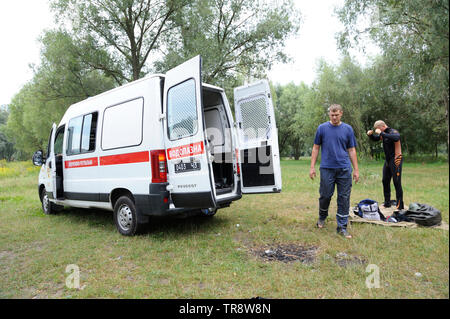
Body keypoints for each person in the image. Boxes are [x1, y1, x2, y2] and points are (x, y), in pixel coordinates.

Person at [310, 104, 359, 239]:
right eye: (332, 115)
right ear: (329, 114)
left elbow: (351, 150)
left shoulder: (348, 129)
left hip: (344, 168)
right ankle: (322, 217)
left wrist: (356, 169)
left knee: (344, 197)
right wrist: (312, 167)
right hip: (327, 168)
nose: (334, 117)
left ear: (341, 113)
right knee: (325, 195)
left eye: (337, 114)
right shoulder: (322, 128)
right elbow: (316, 148)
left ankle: (342, 227)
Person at [367, 120, 404, 210]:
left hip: (396, 160)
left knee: (396, 182)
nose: (378, 132)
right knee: (385, 181)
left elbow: (396, 137)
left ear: (382, 126)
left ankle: (400, 205)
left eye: (378, 129)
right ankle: (387, 203)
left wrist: (381, 133)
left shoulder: (393, 132)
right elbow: (376, 138)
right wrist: (371, 135)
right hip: (388, 161)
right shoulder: (384, 134)